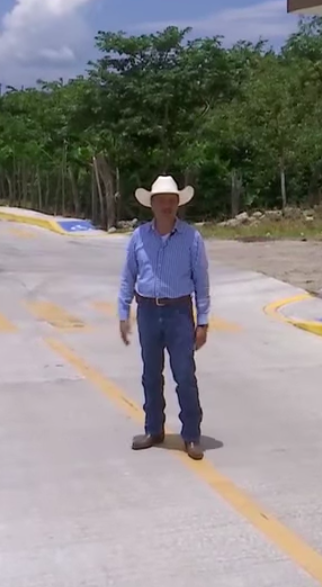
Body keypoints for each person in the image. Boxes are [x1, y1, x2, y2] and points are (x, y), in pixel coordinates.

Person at [118, 175, 210, 461]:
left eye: (171, 201)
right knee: (150, 374)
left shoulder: (192, 239)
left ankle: (191, 435)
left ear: (178, 204)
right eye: (161, 201)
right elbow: (128, 277)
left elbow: (202, 282)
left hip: (179, 312)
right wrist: (124, 312)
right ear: (152, 205)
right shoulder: (139, 237)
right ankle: (153, 429)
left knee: (184, 375)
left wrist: (203, 322)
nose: (166, 206)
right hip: (147, 311)